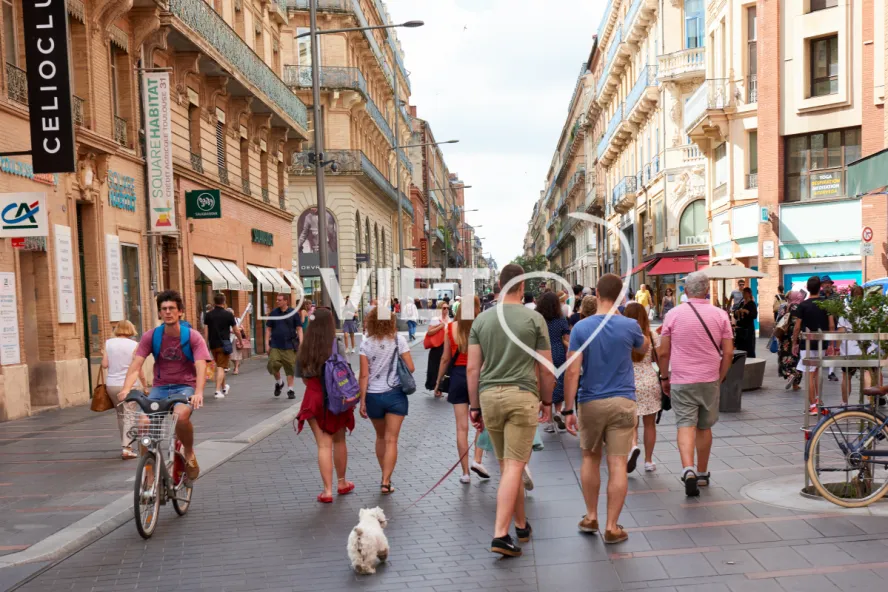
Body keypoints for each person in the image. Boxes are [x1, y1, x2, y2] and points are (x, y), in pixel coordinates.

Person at [468, 264, 554, 557]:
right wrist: (547, 401)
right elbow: (546, 368)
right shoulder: (534, 319)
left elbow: (472, 369)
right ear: (521, 287)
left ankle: (520, 524)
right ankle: (500, 534)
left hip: (489, 396)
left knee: (508, 466)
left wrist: (475, 406)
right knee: (515, 465)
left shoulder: (481, 320)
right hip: (522, 396)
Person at [563, 274, 645, 545]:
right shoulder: (629, 325)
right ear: (621, 295)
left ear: (596, 293)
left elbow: (573, 371)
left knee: (590, 459)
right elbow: (643, 348)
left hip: (591, 401)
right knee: (618, 463)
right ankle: (612, 526)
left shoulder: (581, 329)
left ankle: (590, 517)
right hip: (623, 400)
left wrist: (567, 409)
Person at [119, 290, 212, 480]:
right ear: (160, 313)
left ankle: (188, 452)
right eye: (164, 309)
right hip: (160, 388)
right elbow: (136, 364)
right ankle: (149, 470)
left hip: (184, 387)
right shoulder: (151, 336)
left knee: (180, 416)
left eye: (172, 308)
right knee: (143, 423)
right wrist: (126, 389)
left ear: (180, 312)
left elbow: (201, 366)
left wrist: (199, 392)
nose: (168, 312)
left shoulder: (193, 337)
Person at [658, 272, 733, 497]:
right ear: (707, 290)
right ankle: (702, 473)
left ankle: (687, 468)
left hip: (682, 379)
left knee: (685, 424)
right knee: (704, 426)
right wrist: (720, 376)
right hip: (709, 378)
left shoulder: (673, 315)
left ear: (686, 291)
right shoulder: (720, 315)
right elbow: (728, 352)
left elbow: (663, 352)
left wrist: (664, 377)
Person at [295, 308, 356, 503]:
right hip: (336, 398)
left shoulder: (304, 346)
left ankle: (327, 491)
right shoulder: (336, 344)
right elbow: (345, 369)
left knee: (323, 445)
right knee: (339, 441)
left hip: (313, 397)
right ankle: (342, 482)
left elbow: (302, 377)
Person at [359, 306, 415, 495]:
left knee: (381, 438)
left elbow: (364, 376)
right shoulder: (399, 340)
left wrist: (362, 401)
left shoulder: (366, 343)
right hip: (395, 394)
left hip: (374, 396)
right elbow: (411, 367)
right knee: (392, 440)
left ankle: (384, 475)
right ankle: (386, 481)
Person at [434, 296, 489, 483]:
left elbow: (445, 358)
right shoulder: (481, 327)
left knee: (461, 427)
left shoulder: (451, 328)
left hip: (457, 377)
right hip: (478, 376)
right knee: (480, 422)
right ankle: (477, 459)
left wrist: (438, 381)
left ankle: (465, 473)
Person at [622, 303, 661, 473]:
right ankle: (649, 461)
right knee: (650, 424)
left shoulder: (621, 335)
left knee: (632, 423)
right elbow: (659, 357)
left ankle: (633, 447)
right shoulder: (651, 336)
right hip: (649, 381)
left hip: (628, 381)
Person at [102, 320, 147, 460]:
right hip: (129, 385)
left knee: (120, 415)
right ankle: (127, 448)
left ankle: (125, 445)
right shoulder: (134, 345)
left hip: (112, 385)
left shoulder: (108, 343)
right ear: (131, 329)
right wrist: (145, 384)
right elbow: (137, 368)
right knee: (129, 415)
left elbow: (104, 365)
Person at [792, 276, 836, 415]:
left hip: (807, 343)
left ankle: (813, 405)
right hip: (822, 343)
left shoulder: (803, 305)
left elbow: (797, 327)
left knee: (809, 374)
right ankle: (818, 401)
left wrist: (794, 343)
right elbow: (831, 324)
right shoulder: (826, 303)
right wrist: (831, 343)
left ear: (808, 288)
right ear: (820, 287)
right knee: (817, 373)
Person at [535, 292, 570, 433]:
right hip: (558, 350)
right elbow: (567, 337)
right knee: (560, 380)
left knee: (546, 383)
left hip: (542, 352)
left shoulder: (538, 319)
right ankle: (558, 411)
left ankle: (549, 421)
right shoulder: (561, 319)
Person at [202, 293, 236, 400]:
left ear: (214, 302)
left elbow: (206, 331)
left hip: (213, 345)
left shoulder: (209, 315)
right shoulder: (228, 314)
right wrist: (240, 340)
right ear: (224, 302)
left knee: (220, 365)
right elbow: (236, 330)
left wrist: (205, 344)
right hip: (224, 344)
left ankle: (224, 387)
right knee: (221, 367)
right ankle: (217, 391)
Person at [266, 293, 299, 399]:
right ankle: (279, 383)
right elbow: (268, 329)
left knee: (290, 367)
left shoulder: (293, 313)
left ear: (286, 301)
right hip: (275, 344)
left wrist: (301, 343)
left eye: (280, 300)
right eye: (277, 300)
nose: (277, 301)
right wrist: (267, 344)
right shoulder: (273, 313)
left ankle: (290, 390)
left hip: (289, 344)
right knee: (272, 364)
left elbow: (299, 329)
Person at [778, 290, 806, 391]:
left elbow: (779, 321)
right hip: (797, 335)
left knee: (785, 356)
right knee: (797, 357)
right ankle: (795, 383)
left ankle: (789, 374)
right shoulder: (801, 307)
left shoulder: (784, 306)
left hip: (786, 335)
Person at [425, 301, 451, 395]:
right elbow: (429, 332)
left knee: (446, 368)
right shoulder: (436, 319)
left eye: (447, 308)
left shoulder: (448, 319)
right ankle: (437, 389)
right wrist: (440, 326)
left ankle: (443, 387)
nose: (446, 310)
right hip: (437, 346)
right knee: (436, 367)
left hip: (446, 345)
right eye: (444, 308)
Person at [820, 276, 840, 382]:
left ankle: (831, 372)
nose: (827, 285)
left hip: (834, 326)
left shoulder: (836, 296)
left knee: (833, 348)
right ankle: (817, 371)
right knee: (822, 349)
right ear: (821, 285)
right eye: (825, 283)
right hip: (821, 327)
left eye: (828, 283)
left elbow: (838, 309)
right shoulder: (818, 296)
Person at [733, 287, 758, 358]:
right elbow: (736, 314)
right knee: (740, 346)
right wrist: (737, 312)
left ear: (749, 294)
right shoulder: (741, 303)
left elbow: (754, 315)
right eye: (743, 293)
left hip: (748, 329)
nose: (743, 294)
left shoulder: (752, 304)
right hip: (740, 329)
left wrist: (746, 311)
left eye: (745, 293)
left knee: (748, 346)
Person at [230, 308, 248, 375]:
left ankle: (236, 368)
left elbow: (242, 328)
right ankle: (236, 365)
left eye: (231, 313)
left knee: (236, 354)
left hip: (236, 338)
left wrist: (235, 330)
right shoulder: (225, 320)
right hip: (228, 339)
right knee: (230, 355)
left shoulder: (237, 320)